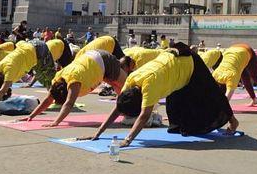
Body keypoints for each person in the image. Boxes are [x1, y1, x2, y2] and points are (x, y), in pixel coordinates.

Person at [80, 45, 238, 146]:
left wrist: (127, 140)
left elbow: (143, 115)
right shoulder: (131, 82)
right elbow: (118, 108)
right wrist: (98, 133)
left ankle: (233, 120)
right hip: (173, 68)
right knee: (178, 120)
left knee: (213, 93)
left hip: (190, 62)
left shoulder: (150, 86)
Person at [22, 49, 127, 125]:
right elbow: (47, 100)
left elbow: (69, 103)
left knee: (124, 87)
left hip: (104, 60)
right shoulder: (57, 80)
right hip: (91, 60)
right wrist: (31, 116)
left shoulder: (74, 82)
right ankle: (123, 109)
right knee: (114, 84)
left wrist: (56, 122)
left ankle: (134, 111)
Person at [0, 39, 54, 111]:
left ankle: (57, 97)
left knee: (49, 77)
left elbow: (2, 90)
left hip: (38, 49)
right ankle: (53, 96)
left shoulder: (9, 70)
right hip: (28, 46)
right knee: (41, 76)